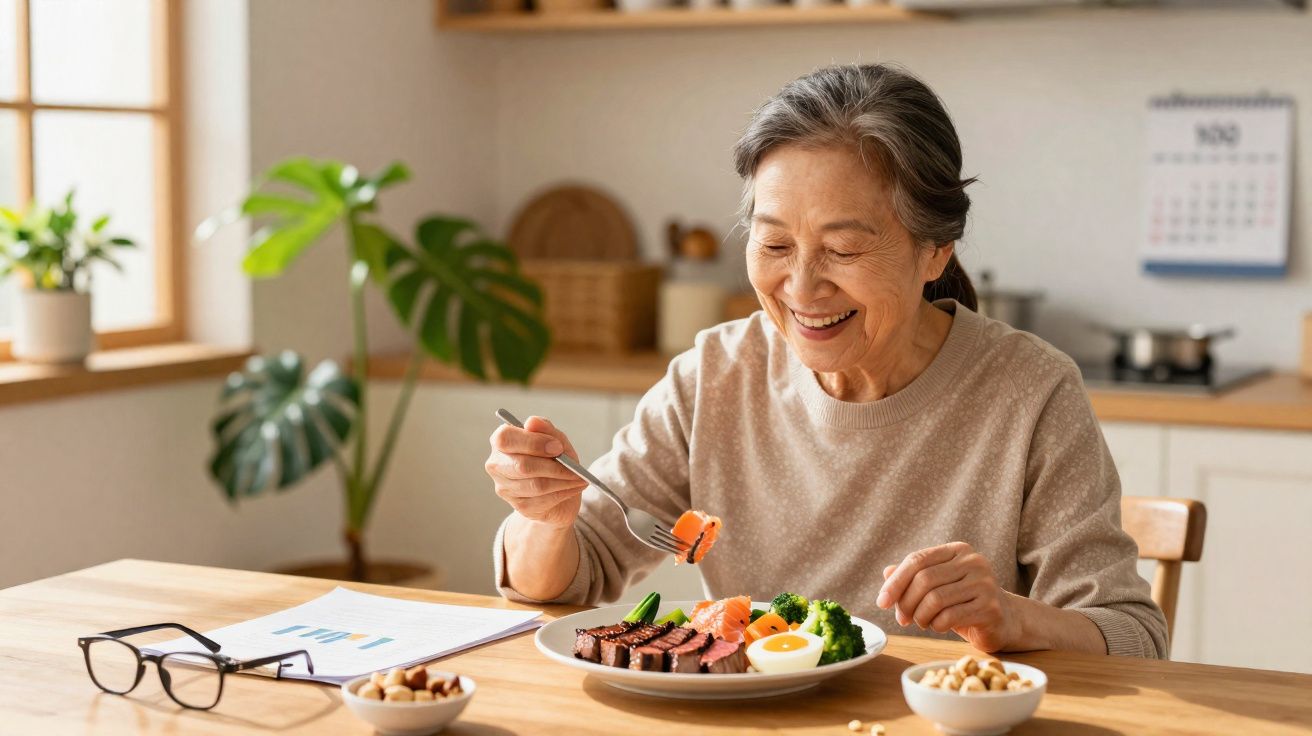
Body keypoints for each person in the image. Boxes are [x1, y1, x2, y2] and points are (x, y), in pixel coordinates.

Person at [485, 63, 1167, 659]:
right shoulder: (716, 375)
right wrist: (546, 521)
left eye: (842, 251)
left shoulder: (1029, 390)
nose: (803, 289)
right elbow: (570, 577)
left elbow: (1133, 636)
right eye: (775, 246)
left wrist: (1012, 617)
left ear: (936, 251)